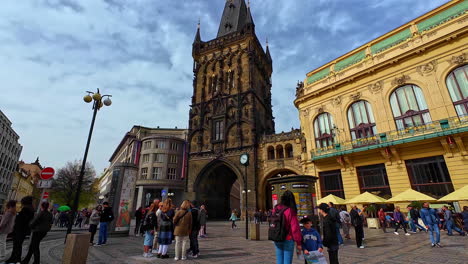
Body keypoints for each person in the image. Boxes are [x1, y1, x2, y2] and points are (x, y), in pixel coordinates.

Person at [272, 190, 302, 264]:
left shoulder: (276, 208)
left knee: (279, 261)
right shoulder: (290, 210)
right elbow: (295, 228)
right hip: (288, 238)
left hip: (277, 237)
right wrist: (298, 242)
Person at [6, 196, 35, 264]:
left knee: (17, 245)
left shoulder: (26, 209)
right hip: (23, 230)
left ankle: (15, 259)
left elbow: (21, 219)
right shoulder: (30, 209)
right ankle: (14, 258)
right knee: (17, 245)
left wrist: (17, 215)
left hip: (20, 230)